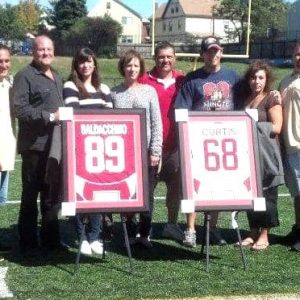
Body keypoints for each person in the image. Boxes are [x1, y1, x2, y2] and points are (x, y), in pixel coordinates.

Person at [175, 36, 240, 247]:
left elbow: (245, 104)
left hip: (223, 141)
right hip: (197, 141)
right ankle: (191, 229)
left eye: (216, 51)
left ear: (221, 52)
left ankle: (212, 229)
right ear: (202, 54)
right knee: (193, 185)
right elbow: (180, 111)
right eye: (208, 51)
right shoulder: (192, 79)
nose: (212, 55)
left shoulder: (233, 76)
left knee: (218, 185)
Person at [13, 35, 64, 254]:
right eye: (41, 49)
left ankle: (51, 239)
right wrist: (50, 117)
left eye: (49, 49)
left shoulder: (58, 76)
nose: (45, 53)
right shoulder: (24, 76)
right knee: (30, 194)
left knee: (52, 194)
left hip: (55, 146)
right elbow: (20, 110)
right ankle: (28, 241)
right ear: (33, 52)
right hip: (34, 146)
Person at [63, 47, 112, 255]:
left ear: (95, 63)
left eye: (89, 61)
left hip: (101, 150)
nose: (86, 65)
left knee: (98, 193)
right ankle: (81, 236)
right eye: (82, 61)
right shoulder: (70, 85)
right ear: (76, 64)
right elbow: (74, 114)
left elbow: (111, 118)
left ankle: (94, 236)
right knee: (79, 192)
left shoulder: (105, 88)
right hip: (78, 148)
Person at [111, 49, 162, 248]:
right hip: (124, 154)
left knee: (147, 195)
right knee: (127, 193)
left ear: (140, 68)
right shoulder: (114, 93)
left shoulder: (149, 91)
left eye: (135, 65)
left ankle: (144, 233)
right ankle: (130, 233)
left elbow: (156, 123)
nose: (131, 69)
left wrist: (155, 150)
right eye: (128, 65)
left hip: (146, 153)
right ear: (122, 67)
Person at [235, 60, 284, 251]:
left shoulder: (271, 98)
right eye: (254, 77)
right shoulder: (246, 100)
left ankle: (265, 233)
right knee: (250, 193)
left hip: (267, 156)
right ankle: (253, 230)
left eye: (261, 78)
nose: (257, 81)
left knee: (268, 195)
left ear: (267, 80)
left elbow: (277, 127)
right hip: (248, 156)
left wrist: (251, 125)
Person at [139, 41, 185, 241]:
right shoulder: (143, 80)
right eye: (161, 56)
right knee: (147, 190)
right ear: (154, 58)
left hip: (175, 146)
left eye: (169, 56)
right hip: (150, 147)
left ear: (174, 58)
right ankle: (143, 229)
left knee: (175, 188)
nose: (165, 60)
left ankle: (171, 224)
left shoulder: (183, 79)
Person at [279, 41, 300, 252]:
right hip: (288, 145)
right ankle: (298, 227)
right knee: (296, 193)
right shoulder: (286, 80)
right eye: (297, 54)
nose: (299, 58)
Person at [0, 44, 16, 252]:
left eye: (6, 61)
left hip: (6, 150)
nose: (3, 65)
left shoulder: (7, 85)